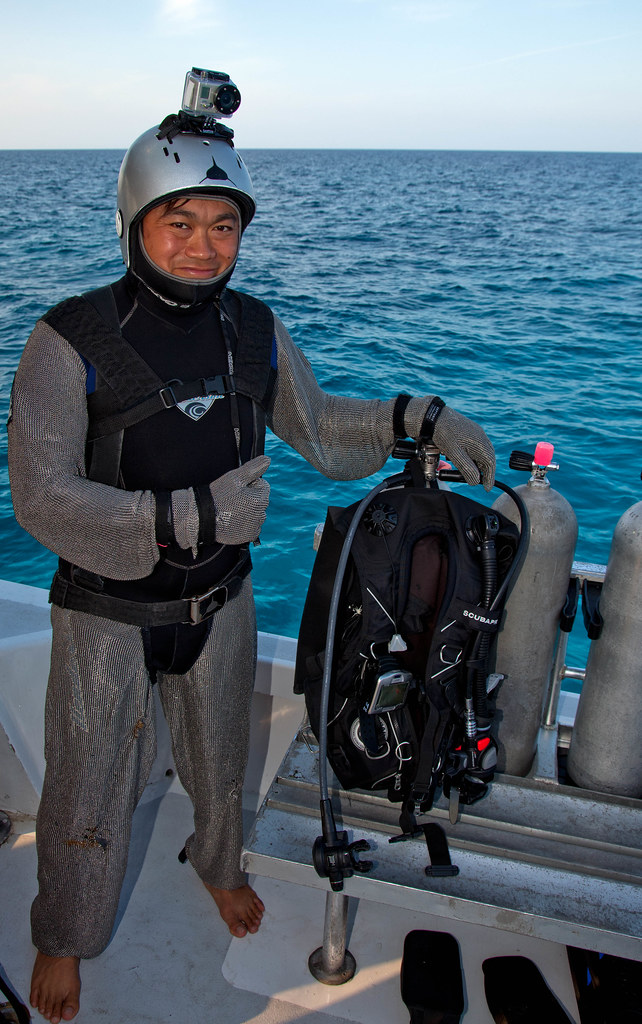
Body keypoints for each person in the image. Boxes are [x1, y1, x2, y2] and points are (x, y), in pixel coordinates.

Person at [7, 94, 495, 1024]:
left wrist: (408, 417)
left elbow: (318, 428)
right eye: (179, 222)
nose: (203, 246)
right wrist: (190, 516)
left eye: (223, 225)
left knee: (222, 760)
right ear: (133, 223)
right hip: (104, 614)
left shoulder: (253, 329)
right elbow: (42, 499)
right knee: (85, 779)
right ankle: (62, 933)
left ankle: (221, 868)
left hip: (220, 603)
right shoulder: (67, 341)